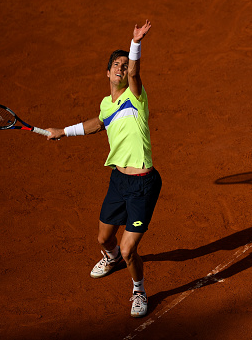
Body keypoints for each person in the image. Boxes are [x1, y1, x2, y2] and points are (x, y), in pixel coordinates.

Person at [45, 20, 161, 318]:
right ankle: (110, 258)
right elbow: (98, 124)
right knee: (103, 240)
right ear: (107, 72)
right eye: (117, 65)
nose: (122, 68)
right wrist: (63, 131)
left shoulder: (135, 95)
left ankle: (139, 290)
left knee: (128, 249)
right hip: (118, 182)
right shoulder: (107, 104)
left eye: (125, 64)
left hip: (143, 185)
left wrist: (136, 42)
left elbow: (135, 71)